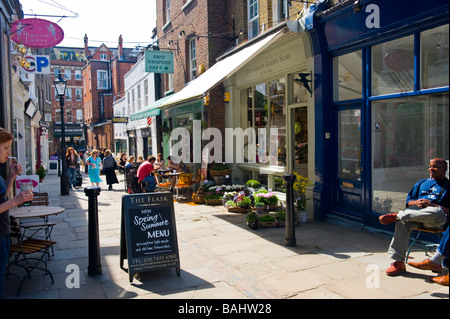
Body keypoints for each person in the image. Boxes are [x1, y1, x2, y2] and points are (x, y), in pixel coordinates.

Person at [379, 158, 449, 276]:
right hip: (416, 217)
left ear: (445, 169)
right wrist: (417, 202)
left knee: (435, 211)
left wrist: (433, 205)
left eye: (435, 167)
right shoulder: (421, 183)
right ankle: (398, 262)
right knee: (402, 223)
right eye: (430, 166)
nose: (431, 169)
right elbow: (408, 202)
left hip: (436, 220)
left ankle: (397, 215)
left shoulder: (448, 186)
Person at [0, 127, 33, 295]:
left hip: (3, 233)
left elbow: (2, 197)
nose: (8, 152)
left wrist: (11, 175)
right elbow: (7, 201)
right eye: (5, 147)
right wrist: (15, 201)